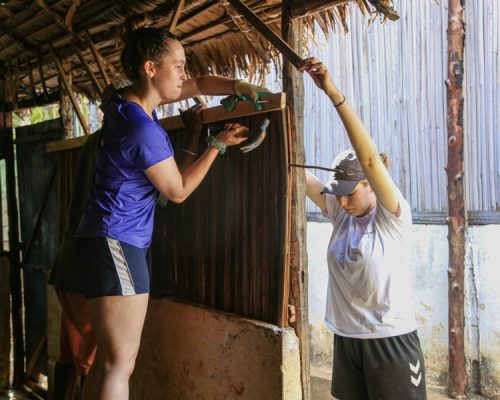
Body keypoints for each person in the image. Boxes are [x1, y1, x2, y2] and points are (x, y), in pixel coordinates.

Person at [62, 13, 268, 400]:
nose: (183, 75)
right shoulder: (142, 129)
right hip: (117, 242)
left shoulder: (125, 106)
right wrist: (218, 144)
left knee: (109, 362)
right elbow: (178, 190)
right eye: (177, 67)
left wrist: (241, 85)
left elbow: (201, 83)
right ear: (150, 68)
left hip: (103, 240)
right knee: (120, 364)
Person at [299, 57, 427, 400]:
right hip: (348, 338)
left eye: (349, 193)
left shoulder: (392, 216)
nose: (340, 202)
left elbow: (368, 159)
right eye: (336, 195)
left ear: (371, 184)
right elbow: (296, 173)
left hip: (390, 340)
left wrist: (332, 93)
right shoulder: (341, 212)